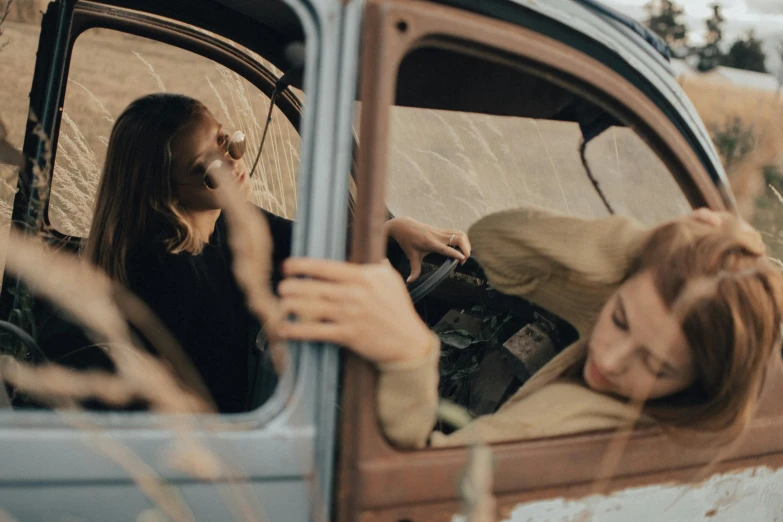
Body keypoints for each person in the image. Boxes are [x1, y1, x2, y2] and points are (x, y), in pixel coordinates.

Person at [82, 93, 470, 413]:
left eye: (225, 139)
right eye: (206, 167)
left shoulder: (226, 222)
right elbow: (198, 402)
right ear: (163, 192)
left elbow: (308, 247)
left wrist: (391, 229)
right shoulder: (164, 273)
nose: (232, 160)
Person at [277, 206, 783, 447]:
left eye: (655, 364)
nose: (608, 359)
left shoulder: (570, 433)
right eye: (619, 317)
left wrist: (413, 358)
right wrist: (656, 246)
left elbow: (409, 486)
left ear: (700, 382)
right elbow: (496, 244)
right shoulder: (634, 357)